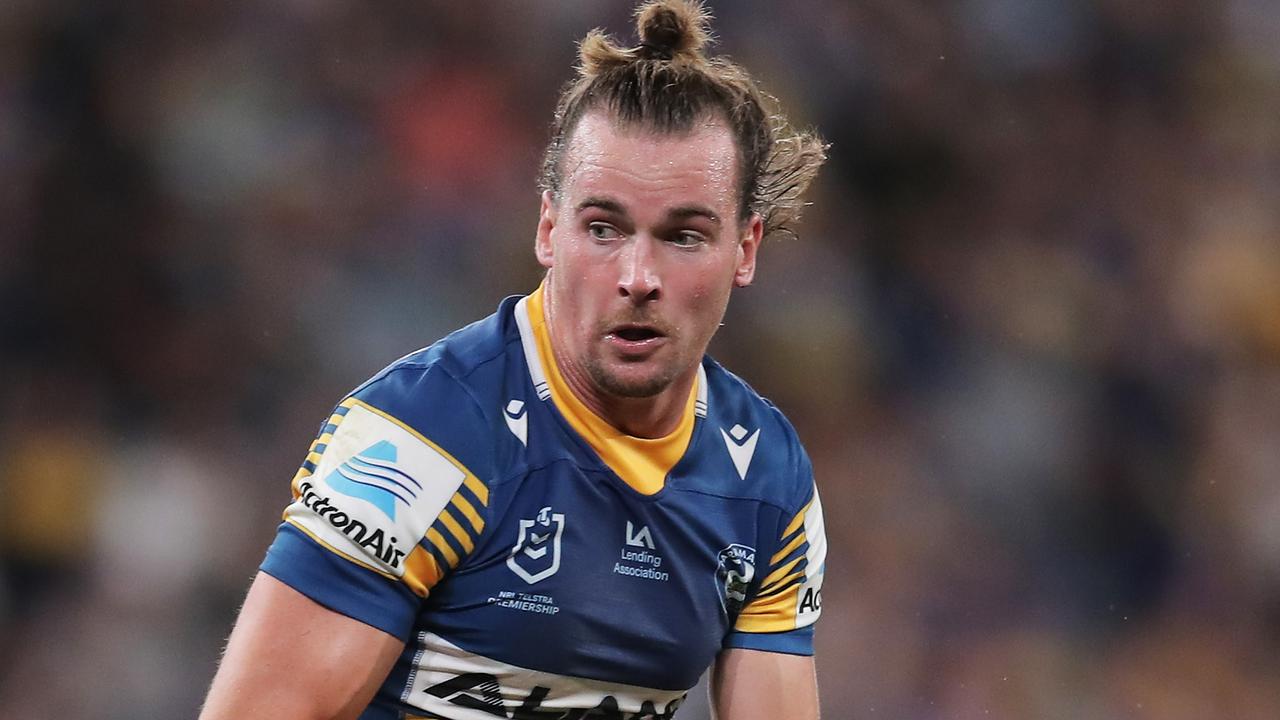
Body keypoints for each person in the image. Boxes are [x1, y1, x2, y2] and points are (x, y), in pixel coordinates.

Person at [199, 2, 828, 718]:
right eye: (603, 227)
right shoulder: (423, 440)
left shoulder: (765, 483)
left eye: (683, 236)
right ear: (548, 230)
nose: (637, 276)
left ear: (744, 250)